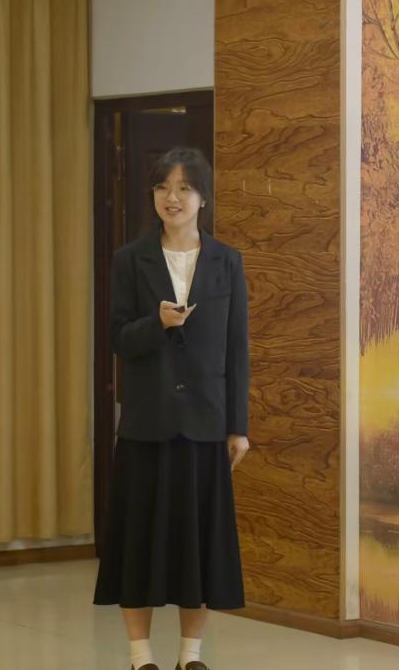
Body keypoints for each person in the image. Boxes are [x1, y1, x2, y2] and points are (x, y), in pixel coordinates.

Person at [94, 146, 250, 670]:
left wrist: (238, 426)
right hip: (148, 423)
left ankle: (191, 655)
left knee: (198, 547)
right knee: (138, 542)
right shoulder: (129, 259)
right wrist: (157, 324)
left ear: (203, 196)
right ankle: (141, 656)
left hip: (206, 423)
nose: (172, 197)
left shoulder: (227, 261)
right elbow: (118, 338)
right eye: (163, 187)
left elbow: (237, 349)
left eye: (184, 187)